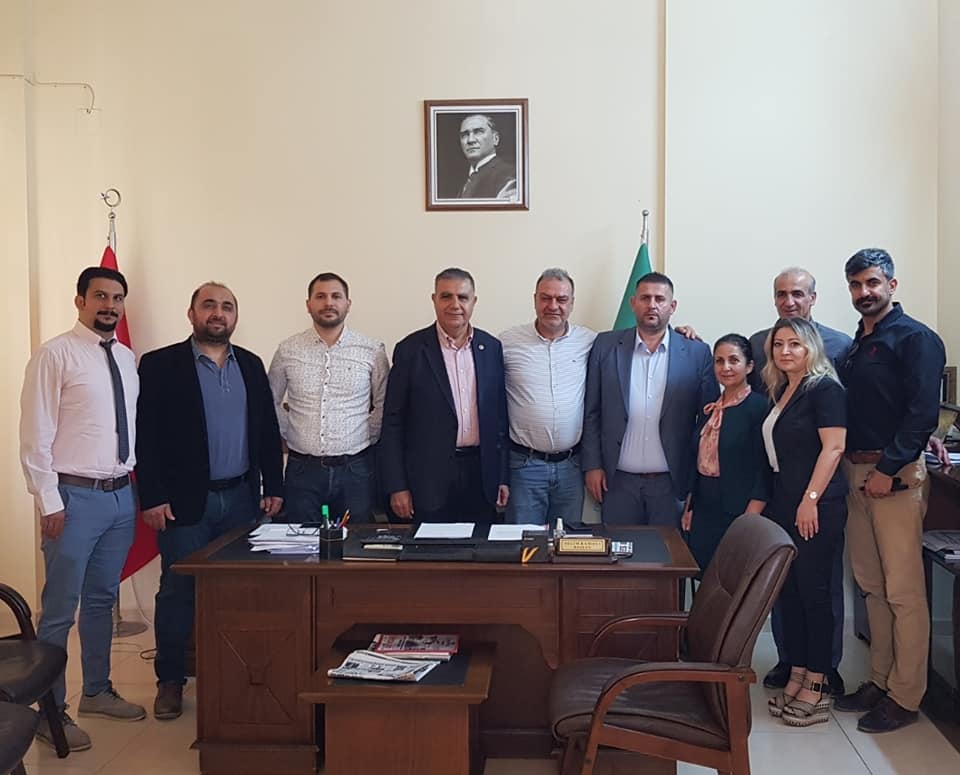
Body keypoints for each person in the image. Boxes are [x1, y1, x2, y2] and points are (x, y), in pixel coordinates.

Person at [135, 282, 284, 721]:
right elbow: (146, 436)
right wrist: (153, 497)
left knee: (238, 592)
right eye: (209, 305)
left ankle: (234, 674)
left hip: (240, 500)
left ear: (235, 316)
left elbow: (266, 432)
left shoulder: (251, 365)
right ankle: (170, 680)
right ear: (192, 313)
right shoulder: (160, 365)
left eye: (227, 306)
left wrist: (274, 486)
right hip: (183, 504)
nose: (218, 313)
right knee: (177, 592)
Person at [19, 267, 145, 751]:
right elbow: (35, 435)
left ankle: (96, 691)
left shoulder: (126, 358)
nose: (109, 305)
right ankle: (50, 713)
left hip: (119, 496)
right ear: (80, 301)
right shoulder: (55, 354)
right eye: (100, 296)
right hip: (73, 498)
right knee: (58, 610)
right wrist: (48, 500)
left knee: (101, 601)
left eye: (117, 298)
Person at [834, 249, 946, 733]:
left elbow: (922, 413)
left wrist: (889, 467)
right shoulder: (857, 345)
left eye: (872, 283)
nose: (865, 292)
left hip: (892, 479)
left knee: (903, 592)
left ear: (891, 285)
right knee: (871, 587)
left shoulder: (916, 338)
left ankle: (905, 695)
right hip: (855, 475)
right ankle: (879, 681)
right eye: (856, 285)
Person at [753, 268, 852, 697]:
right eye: (779, 345)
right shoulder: (781, 390)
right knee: (790, 590)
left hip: (816, 505)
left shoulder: (825, 388)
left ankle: (818, 678)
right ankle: (795, 670)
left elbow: (834, 448)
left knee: (815, 592)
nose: (786, 350)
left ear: (811, 346)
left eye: (795, 344)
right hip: (784, 501)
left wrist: (811, 499)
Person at [582, 272, 718, 525]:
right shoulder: (605, 346)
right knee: (618, 548)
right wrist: (592, 465)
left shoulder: (697, 353)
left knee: (668, 550)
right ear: (633, 303)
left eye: (659, 299)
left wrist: (696, 483)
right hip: (617, 482)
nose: (652, 305)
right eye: (645, 298)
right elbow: (592, 411)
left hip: (672, 483)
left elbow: (708, 422)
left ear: (672, 306)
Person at [380, 268, 509, 523]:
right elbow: (393, 423)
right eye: (446, 296)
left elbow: (500, 418)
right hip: (427, 481)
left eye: (463, 297)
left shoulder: (491, 348)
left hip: (481, 476)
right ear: (434, 299)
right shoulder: (410, 350)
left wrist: (503, 477)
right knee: (432, 547)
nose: (455, 305)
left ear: (474, 301)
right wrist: (397, 486)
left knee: (478, 546)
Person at [268, 273, 389, 524]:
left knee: (354, 542)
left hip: (356, 469)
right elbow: (270, 400)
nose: (328, 303)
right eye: (320, 296)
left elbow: (384, 402)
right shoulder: (288, 349)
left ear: (348, 304)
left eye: (336, 296)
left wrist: (365, 435)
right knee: (302, 542)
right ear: (308, 304)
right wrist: (290, 431)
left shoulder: (372, 350)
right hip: (302, 470)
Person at [499, 269, 596, 524]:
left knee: (567, 542)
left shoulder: (590, 341)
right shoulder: (506, 343)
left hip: (571, 467)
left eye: (561, 299)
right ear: (534, 299)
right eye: (545, 298)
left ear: (572, 303)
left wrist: (680, 333)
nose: (553, 306)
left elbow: (629, 346)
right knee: (522, 542)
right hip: (524, 467)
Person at [681, 334, 768, 573]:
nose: (726, 367)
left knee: (733, 576)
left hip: (738, 509)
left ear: (749, 366)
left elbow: (764, 469)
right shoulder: (710, 408)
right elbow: (697, 460)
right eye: (719, 361)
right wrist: (690, 506)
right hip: (704, 507)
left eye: (733, 360)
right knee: (703, 574)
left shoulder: (759, 408)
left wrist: (750, 517)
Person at [457, 114, 518, 200]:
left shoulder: (510, 175)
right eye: (464, 135)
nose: (470, 140)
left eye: (478, 132)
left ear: (495, 139)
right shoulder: (464, 182)